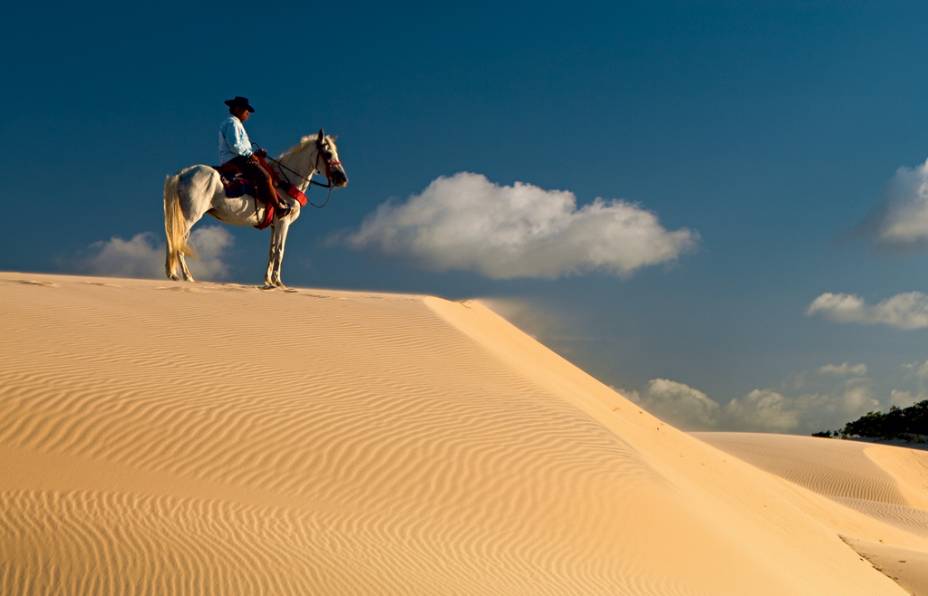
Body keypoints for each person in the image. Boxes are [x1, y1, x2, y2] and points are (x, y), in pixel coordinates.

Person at [217, 96, 288, 214]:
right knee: (266, 177)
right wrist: (250, 154)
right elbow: (235, 145)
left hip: (237, 157)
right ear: (238, 109)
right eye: (246, 110)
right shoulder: (232, 123)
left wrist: (255, 154)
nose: (248, 113)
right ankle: (278, 208)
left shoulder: (234, 123)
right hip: (234, 159)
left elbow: (240, 147)